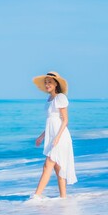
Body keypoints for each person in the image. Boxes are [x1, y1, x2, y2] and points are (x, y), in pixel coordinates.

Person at [32, 71, 77, 199]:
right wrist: (42, 136)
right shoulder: (49, 99)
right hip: (52, 135)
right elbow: (51, 121)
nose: (47, 85)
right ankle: (63, 198)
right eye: (46, 82)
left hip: (60, 136)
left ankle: (36, 196)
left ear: (56, 84)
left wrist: (57, 137)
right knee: (58, 168)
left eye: (50, 82)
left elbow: (65, 120)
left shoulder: (60, 97)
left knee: (48, 164)